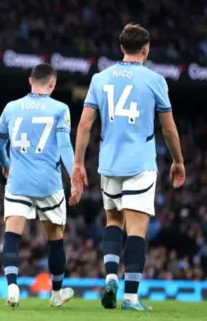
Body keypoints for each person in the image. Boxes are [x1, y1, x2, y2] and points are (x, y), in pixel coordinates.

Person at [70, 23, 185, 311]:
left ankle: (110, 278)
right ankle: (131, 297)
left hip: (109, 164)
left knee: (113, 222)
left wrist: (78, 163)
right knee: (136, 229)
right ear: (145, 49)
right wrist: (178, 160)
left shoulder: (100, 78)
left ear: (121, 48)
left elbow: (84, 124)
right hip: (140, 164)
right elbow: (168, 129)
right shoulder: (155, 80)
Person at [0, 63, 75, 308]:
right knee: (55, 238)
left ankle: (12, 286)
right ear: (52, 84)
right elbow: (63, 147)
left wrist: (6, 163)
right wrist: (75, 176)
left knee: (12, 234)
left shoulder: (11, 108)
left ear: (30, 81)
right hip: (48, 185)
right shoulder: (60, 108)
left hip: (17, 182)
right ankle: (56, 293)